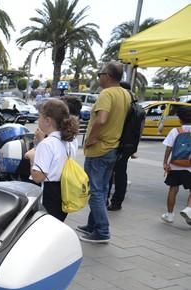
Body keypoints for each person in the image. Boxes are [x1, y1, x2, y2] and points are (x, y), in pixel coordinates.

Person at [78, 62, 131, 244]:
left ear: (107, 75)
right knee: (103, 189)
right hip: (113, 148)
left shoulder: (107, 93)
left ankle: (102, 231)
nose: (98, 77)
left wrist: (91, 138)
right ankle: (92, 224)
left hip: (99, 149)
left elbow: (101, 120)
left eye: (100, 74)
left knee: (96, 191)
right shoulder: (125, 93)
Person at [24, 99, 79, 221]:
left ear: (48, 120)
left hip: (48, 193)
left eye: (40, 117)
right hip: (64, 190)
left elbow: (38, 177)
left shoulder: (48, 144)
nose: (38, 120)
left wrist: (33, 156)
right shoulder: (71, 140)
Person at [107, 81, 141, 211]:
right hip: (128, 145)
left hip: (119, 143)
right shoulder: (137, 107)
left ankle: (112, 200)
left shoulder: (126, 106)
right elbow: (140, 131)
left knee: (112, 173)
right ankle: (117, 201)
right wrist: (134, 148)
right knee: (121, 172)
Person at [161, 105, 191, 225]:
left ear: (180, 119)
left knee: (173, 188)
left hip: (175, 165)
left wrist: (165, 162)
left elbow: (169, 148)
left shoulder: (175, 131)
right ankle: (189, 209)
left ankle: (169, 215)